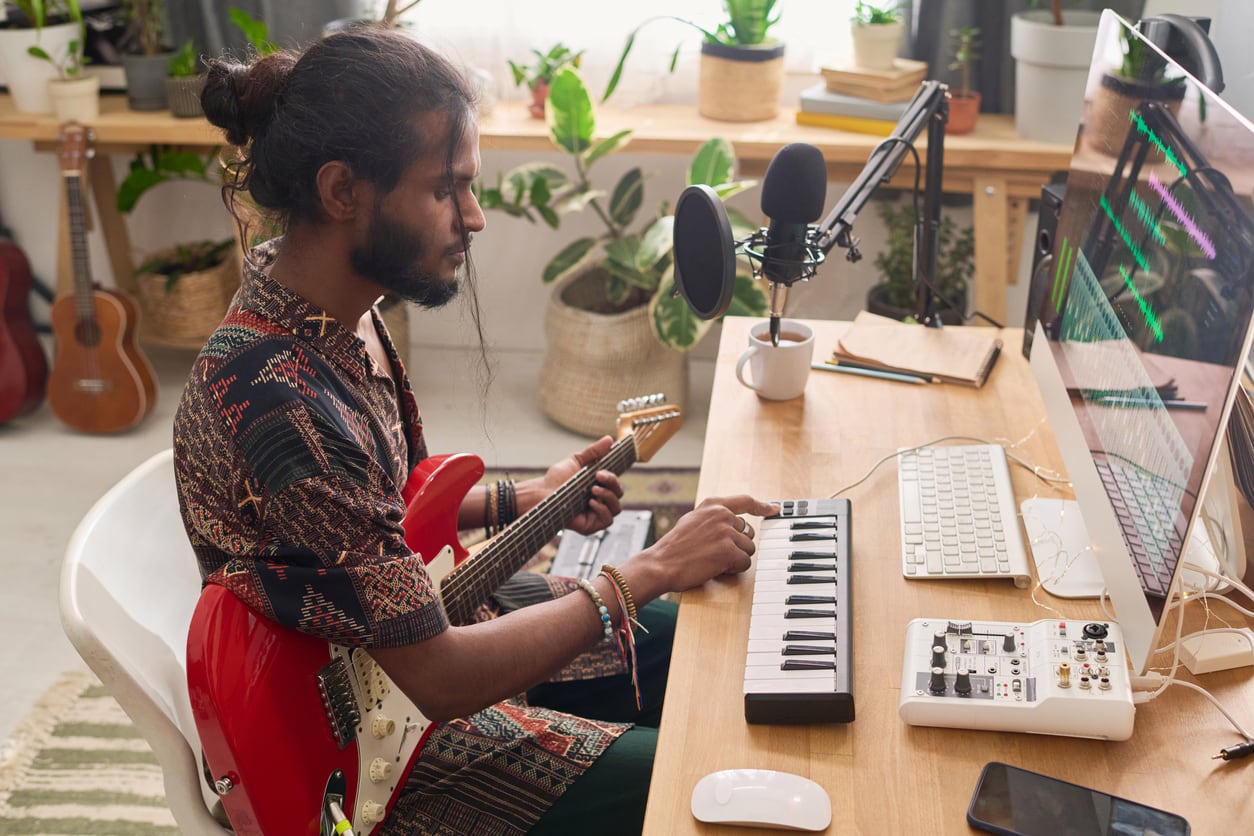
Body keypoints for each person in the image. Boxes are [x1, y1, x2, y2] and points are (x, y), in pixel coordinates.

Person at [174, 26, 777, 835]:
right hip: (383, 747)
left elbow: (380, 520)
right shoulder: (285, 407)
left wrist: (528, 496)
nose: (475, 217)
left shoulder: (342, 321)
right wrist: (653, 564)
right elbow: (443, 679)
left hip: (391, 639)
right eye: (446, 189)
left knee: (705, 633)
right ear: (342, 191)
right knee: (705, 784)